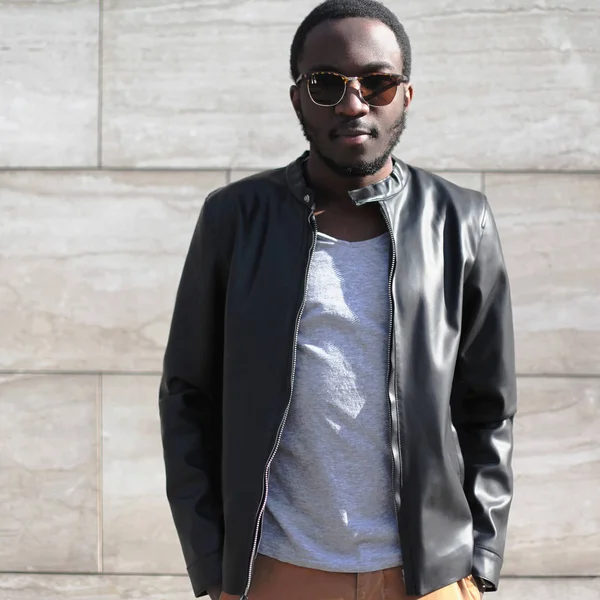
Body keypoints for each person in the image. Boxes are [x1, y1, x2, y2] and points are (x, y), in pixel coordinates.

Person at [159, 1, 517, 599]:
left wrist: (480, 561)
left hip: (429, 576)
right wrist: (213, 565)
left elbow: (488, 407)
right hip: (274, 573)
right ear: (297, 98)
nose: (353, 104)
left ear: (406, 94)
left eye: (376, 83)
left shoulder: (461, 220)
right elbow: (187, 397)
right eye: (327, 85)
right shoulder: (235, 219)